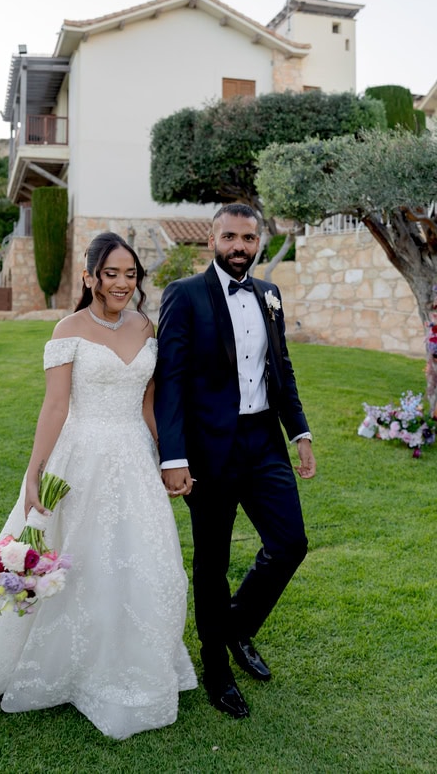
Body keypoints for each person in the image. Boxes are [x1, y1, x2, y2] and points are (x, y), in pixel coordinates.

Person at [0, 232, 196, 740]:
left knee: (142, 558)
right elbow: (55, 406)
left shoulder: (145, 325)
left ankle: (131, 653)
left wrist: (168, 457)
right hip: (80, 456)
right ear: (90, 277)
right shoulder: (67, 330)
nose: (122, 283)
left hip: (134, 457)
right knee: (79, 556)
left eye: (130, 274)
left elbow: (148, 403)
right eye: (111, 274)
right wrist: (34, 472)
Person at [154, 204, 316, 720]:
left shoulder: (269, 294)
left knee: (290, 543)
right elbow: (169, 381)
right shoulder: (183, 295)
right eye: (229, 236)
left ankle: (237, 627)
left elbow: (281, 367)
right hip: (209, 451)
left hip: (264, 442)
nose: (239, 246)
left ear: (258, 241)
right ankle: (217, 669)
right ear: (212, 240)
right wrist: (173, 456)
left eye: (247, 238)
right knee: (212, 563)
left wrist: (300, 432)